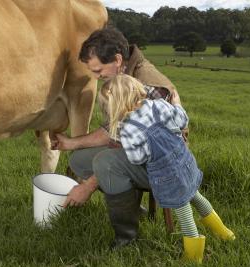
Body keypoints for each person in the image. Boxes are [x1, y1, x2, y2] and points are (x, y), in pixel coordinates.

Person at [50, 28, 187, 216]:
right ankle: (133, 207)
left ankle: (127, 232)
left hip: (165, 165)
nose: (96, 77)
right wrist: (71, 143)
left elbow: (133, 146)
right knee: (79, 160)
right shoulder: (124, 79)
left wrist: (88, 186)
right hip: (143, 152)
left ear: (118, 60)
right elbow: (114, 130)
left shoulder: (147, 86)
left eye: (98, 71)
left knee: (105, 161)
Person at [103, 74, 235, 263]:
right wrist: (178, 104)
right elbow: (182, 121)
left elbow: (136, 158)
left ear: (114, 104)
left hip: (167, 174)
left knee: (184, 212)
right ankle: (224, 233)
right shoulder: (158, 105)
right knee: (196, 196)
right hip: (185, 161)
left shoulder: (129, 129)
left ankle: (193, 257)